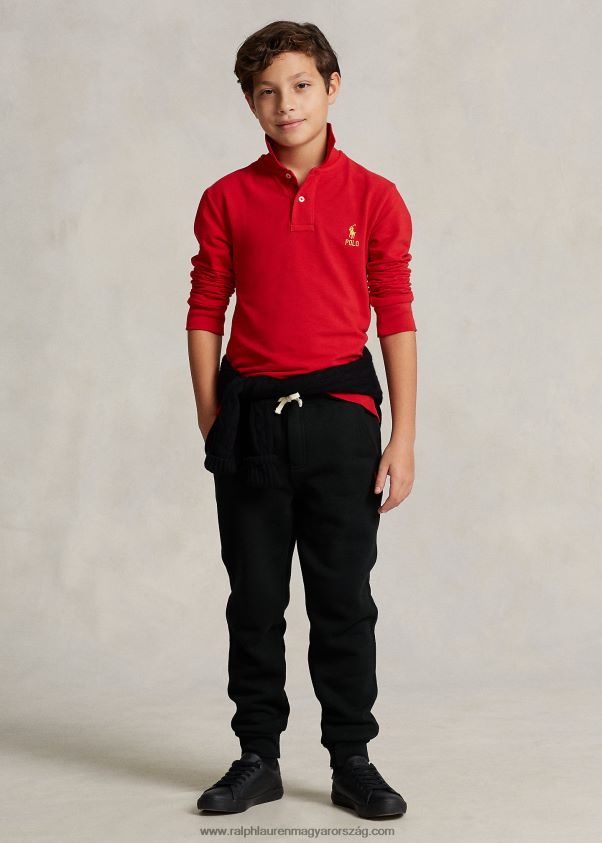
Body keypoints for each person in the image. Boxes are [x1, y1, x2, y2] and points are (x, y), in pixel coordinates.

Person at [186, 20, 417, 821]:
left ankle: (352, 758)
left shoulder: (375, 197)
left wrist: (403, 435)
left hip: (343, 421)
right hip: (250, 421)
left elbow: (395, 314)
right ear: (250, 103)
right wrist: (212, 416)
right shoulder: (226, 198)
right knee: (253, 598)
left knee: (343, 599)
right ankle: (257, 755)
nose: (286, 104)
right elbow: (206, 308)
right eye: (266, 92)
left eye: (301, 86)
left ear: (332, 86)